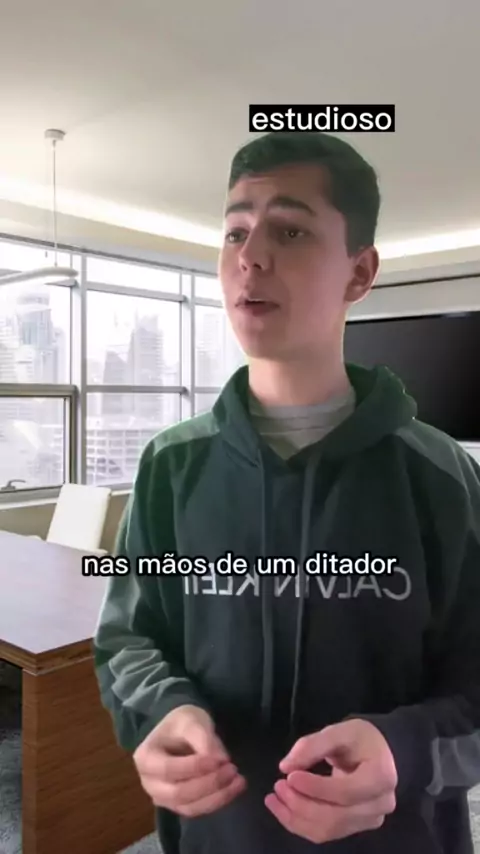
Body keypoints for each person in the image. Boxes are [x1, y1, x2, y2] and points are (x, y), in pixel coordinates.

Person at [93, 131, 480, 854]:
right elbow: (129, 639)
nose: (251, 256)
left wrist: (404, 750)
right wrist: (162, 711)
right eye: (235, 231)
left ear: (359, 273)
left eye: (290, 230)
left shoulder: (440, 476)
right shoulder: (171, 468)